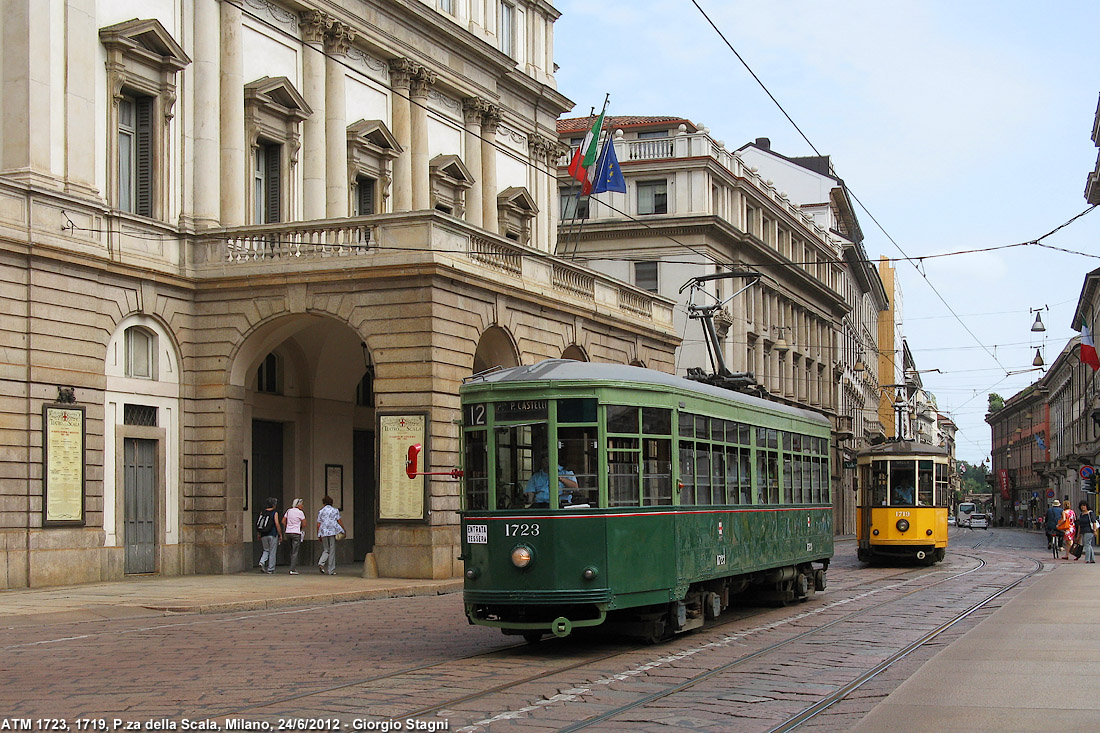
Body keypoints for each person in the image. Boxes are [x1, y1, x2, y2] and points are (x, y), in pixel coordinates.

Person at [316, 495, 345, 575]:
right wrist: (343, 529)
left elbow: (318, 524)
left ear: (324, 503)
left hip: (323, 531)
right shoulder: (335, 510)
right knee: (332, 550)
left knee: (326, 549)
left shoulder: (321, 511)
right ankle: (331, 570)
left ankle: (321, 563)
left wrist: (318, 534)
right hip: (332, 531)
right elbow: (339, 520)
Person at [256, 497, 282, 574]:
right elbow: (277, 524)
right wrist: (280, 534)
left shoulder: (262, 512)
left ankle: (262, 561)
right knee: (272, 551)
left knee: (266, 550)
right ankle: (271, 569)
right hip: (272, 534)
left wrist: (259, 533)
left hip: (263, 534)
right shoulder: (275, 513)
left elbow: (260, 523)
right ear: (274, 505)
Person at [283, 498, 306, 575]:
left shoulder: (289, 511)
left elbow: (283, 521)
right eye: (301, 504)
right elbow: (304, 523)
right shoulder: (300, 513)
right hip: (296, 533)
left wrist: (288, 526)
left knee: (291, 550)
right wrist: (300, 528)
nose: (302, 506)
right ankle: (292, 569)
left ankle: (292, 566)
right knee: (295, 552)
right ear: (298, 505)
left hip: (288, 532)